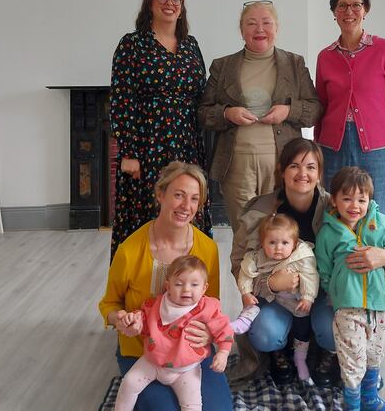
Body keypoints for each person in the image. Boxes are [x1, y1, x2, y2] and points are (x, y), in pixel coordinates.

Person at [231, 138, 385, 387]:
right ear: (282, 171)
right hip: (276, 296)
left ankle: (326, 353)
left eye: (310, 167)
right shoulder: (260, 211)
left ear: (319, 173)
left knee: (335, 330)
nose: (303, 174)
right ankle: (280, 352)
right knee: (265, 333)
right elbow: (239, 264)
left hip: (326, 293)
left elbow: (382, 234)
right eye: (294, 166)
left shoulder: (340, 205)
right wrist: (270, 284)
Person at [99, 162, 232, 410]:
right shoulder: (129, 249)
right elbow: (109, 303)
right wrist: (122, 319)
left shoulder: (207, 249)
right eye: (178, 195)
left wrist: (209, 334)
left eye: (194, 199)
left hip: (190, 352)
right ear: (160, 195)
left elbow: (211, 305)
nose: (186, 206)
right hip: (142, 352)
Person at [110, 0, 211, 259]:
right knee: (149, 213)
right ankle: (144, 291)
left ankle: (189, 287)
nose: (170, 3)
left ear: (182, 7)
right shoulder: (132, 44)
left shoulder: (191, 45)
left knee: (187, 208)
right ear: (149, 4)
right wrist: (128, 152)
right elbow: (121, 99)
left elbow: (200, 95)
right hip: (147, 143)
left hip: (187, 142)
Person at [198, 0, 322, 229]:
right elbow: (203, 113)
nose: (259, 29)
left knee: (281, 235)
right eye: (251, 23)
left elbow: (314, 109)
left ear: (277, 28)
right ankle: (242, 267)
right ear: (242, 30)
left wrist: (288, 110)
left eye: (267, 22)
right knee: (245, 234)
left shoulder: (295, 64)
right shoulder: (222, 66)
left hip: (283, 164)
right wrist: (227, 113)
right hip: (236, 163)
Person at [314, 167, 385, 411]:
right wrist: (334, 291)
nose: (354, 205)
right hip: (347, 309)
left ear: (370, 200)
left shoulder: (380, 224)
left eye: (361, 199)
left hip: (380, 307)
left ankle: (370, 399)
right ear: (334, 200)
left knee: (374, 356)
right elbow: (323, 268)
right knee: (352, 361)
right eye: (346, 198)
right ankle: (353, 404)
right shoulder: (328, 233)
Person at [315, 0, 385, 218]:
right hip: (333, 148)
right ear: (334, 13)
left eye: (356, 5)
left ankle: (380, 256)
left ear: (365, 10)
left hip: (377, 150)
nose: (349, 12)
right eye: (342, 6)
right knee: (335, 213)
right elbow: (321, 107)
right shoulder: (325, 57)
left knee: (377, 216)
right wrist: (317, 154)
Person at [114, 255, 235, 411]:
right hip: (152, 362)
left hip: (186, 370)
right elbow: (142, 321)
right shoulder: (155, 304)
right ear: (168, 286)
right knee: (129, 383)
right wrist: (133, 320)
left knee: (192, 406)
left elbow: (224, 329)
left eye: (194, 285)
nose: (186, 289)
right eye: (179, 284)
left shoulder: (208, 307)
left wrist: (223, 353)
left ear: (204, 288)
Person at [236, 213, 318, 382]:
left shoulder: (302, 256)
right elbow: (245, 272)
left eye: (284, 243)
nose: (278, 248)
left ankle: (300, 358)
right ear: (262, 242)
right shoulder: (258, 257)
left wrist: (308, 297)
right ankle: (245, 321)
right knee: (255, 304)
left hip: (295, 301)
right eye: (272, 242)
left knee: (302, 325)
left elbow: (311, 276)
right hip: (271, 298)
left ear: (294, 244)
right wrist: (245, 292)